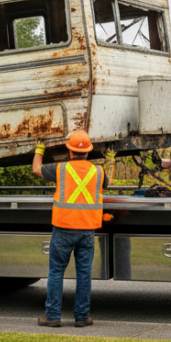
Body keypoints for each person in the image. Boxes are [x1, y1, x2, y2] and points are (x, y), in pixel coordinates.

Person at [31, 130, 109, 328]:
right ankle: (82, 317)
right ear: (88, 152)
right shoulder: (98, 171)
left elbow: (37, 169)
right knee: (84, 275)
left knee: (56, 272)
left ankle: (52, 316)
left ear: (70, 151)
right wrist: (110, 161)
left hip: (64, 228)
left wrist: (39, 149)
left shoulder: (61, 169)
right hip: (87, 230)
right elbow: (107, 184)